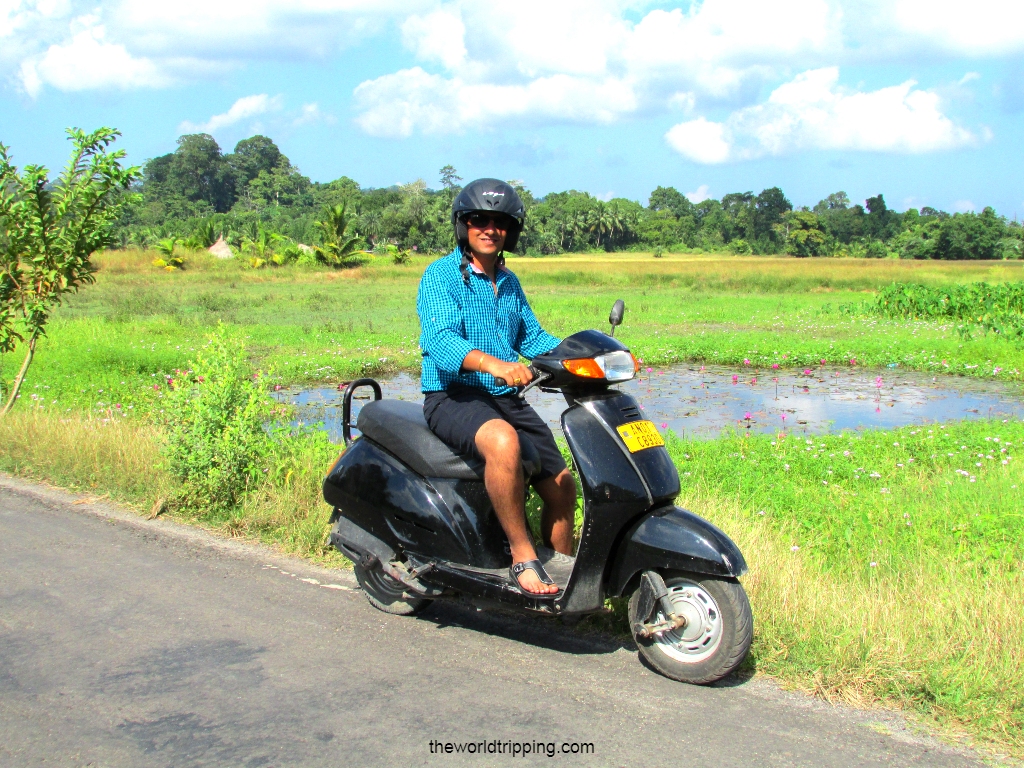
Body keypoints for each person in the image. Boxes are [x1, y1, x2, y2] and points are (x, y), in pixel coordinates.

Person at [417, 178, 576, 596]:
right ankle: (523, 557)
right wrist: (495, 365)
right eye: (478, 220)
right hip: (452, 396)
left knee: (562, 484)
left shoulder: (508, 282)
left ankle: (567, 570)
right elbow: (441, 340)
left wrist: (584, 356)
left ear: (511, 230)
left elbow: (534, 338)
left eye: (499, 222)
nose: (489, 228)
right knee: (503, 443)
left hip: (504, 398)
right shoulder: (441, 276)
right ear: (463, 226)